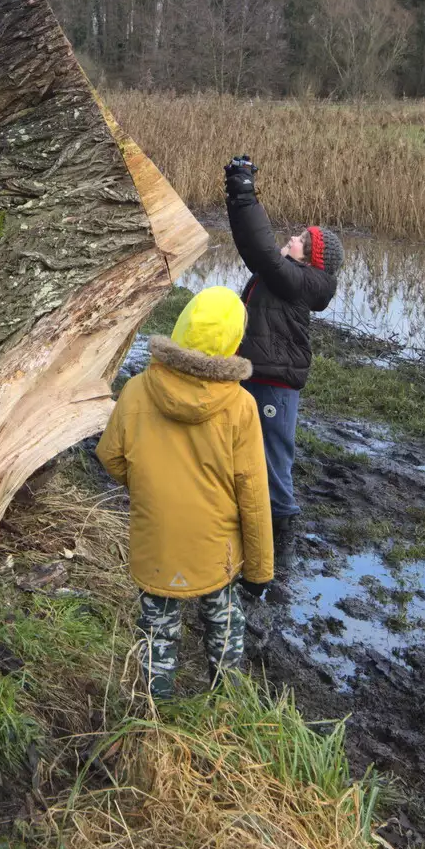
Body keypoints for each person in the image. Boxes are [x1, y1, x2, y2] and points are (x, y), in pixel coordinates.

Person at [96, 286, 275, 700]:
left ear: (181, 326)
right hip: (215, 548)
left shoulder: (138, 389)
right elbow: (253, 494)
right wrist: (260, 570)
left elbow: (109, 456)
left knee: (157, 625)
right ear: (234, 340)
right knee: (225, 618)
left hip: (155, 539)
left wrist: (148, 487)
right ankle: (225, 698)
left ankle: (153, 707)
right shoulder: (241, 405)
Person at [223, 155, 343, 563]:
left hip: (276, 376)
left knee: (274, 449)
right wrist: (237, 199)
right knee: (244, 440)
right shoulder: (286, 272)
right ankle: (249, 511)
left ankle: (281, 524)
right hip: (259, 368)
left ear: (310, 259)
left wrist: (245, 192)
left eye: (299, 241)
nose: (291, 239)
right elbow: (252, 248)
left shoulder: (300, 280)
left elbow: (261, 251)